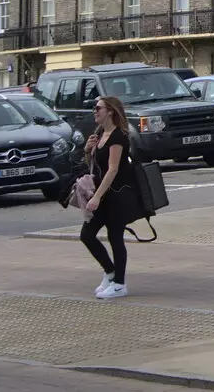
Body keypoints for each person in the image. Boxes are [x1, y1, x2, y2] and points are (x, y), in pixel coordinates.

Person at [80, 96, 140, 300]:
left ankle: (120, 284)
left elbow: (112, 170)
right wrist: (88, 150)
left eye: (98, 108)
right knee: (87, 235)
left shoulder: (118, 137)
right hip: (102, 194)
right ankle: (110, 272)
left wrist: (96, 197)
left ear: (110, 111)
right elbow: (95, 165)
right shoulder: (99, 134)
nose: (94, 111)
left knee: (115, 238)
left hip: (117, 195)